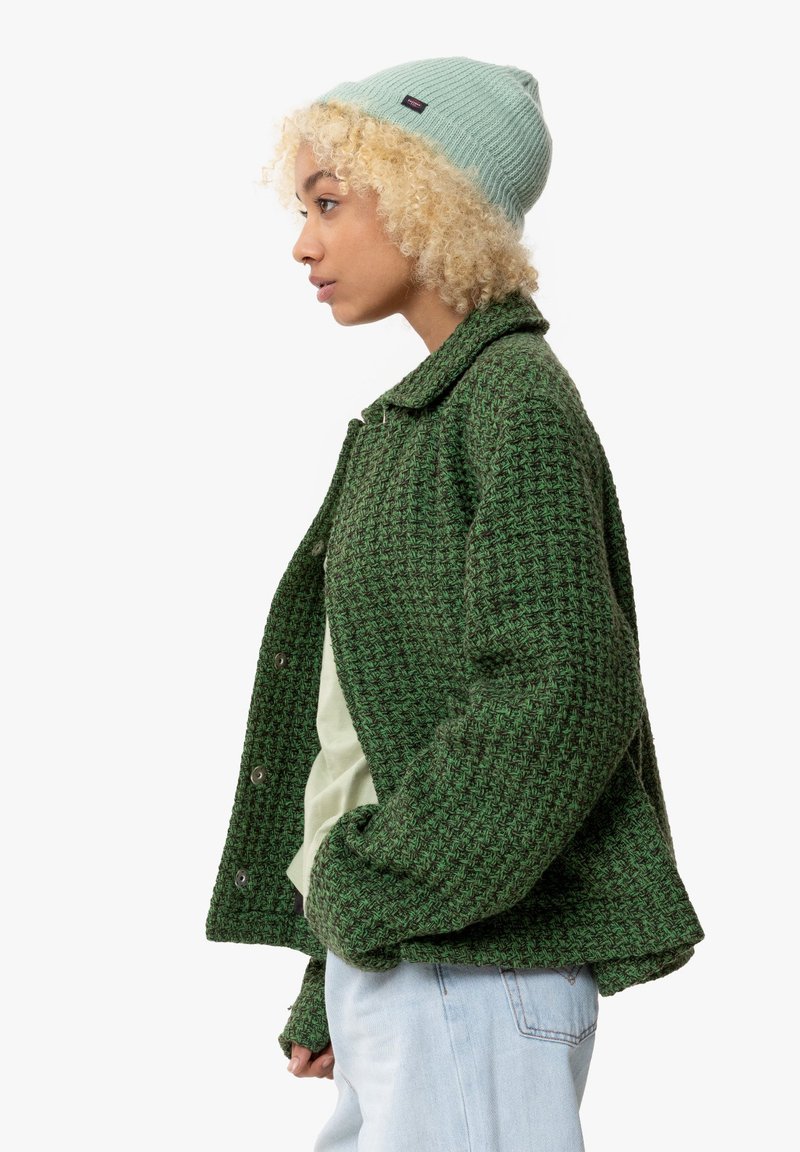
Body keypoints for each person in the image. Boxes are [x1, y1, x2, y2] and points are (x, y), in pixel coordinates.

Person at [206, 56, 705, 1150]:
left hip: (474, 964)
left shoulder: (511, 402)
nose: (303, 244)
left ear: (428, 199)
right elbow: (369, 735)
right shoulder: (420, 420)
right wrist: (330, 964)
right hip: (415, 954)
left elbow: (561, 694)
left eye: (328, 204)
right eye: (303, 210)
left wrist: (369, 892)